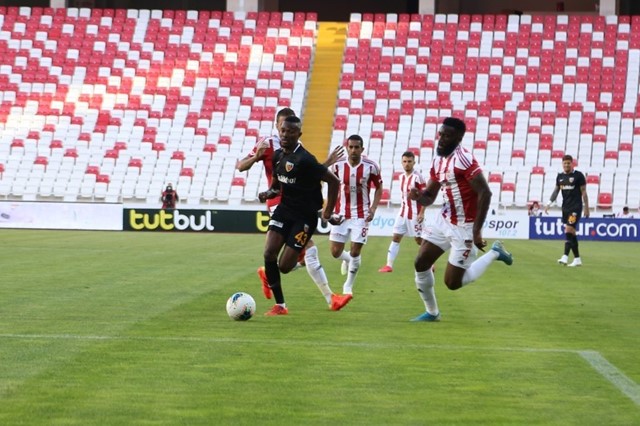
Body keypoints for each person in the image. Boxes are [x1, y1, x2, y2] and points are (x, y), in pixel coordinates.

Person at [237, 108, 348, 312]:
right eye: (283, 131)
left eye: (290, 132)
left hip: (304, 217)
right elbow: (277, 186)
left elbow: (333, 181)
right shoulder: (277, 155)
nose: (285, 135)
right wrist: (268, 193)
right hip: (283, 210)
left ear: (298, 134)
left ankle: (272, 276)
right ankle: (280, 305)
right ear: (278, 129)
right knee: (269, 252)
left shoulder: (305, 159)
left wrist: (327, 213)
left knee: (284, 266)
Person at [407, 117, 513, 322]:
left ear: (458, 138)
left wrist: (476, 232)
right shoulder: (438, 161)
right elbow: (430, 196)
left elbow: (485, 193)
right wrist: (419, 196)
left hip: (465, 226)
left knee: (452, 283)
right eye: (441, 134)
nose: (441, 140)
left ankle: (495, 253)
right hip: (444, 219)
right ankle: (432, 312)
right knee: (421, 262)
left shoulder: (463, 159)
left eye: (447, 136)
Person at [329, 134, 383, 299]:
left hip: (361, 214)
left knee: (355, 250)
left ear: (362, 149)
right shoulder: (337, 165)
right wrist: (329, 208)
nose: (353, 150)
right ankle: (346, 260)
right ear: (347, 148)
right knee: (335, 252)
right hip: (340, 213)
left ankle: (348, 285)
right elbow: (330, 185)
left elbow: (379, 187)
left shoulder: (371, 166)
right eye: (351, 147)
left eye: (356, 147)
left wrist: (373, 208)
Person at [379, 150, 426, 273]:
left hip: (415, 214)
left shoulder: (418, 177)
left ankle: (429, 262)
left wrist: (422, 212)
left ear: (414, 162)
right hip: (402, 212)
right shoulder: (401, 177)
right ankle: (389, 265)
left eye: (409, 161)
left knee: (419, 240)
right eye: (404, 161)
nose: (407, 164)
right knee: (396, 237)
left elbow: (425, 196)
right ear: (401, 162)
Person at [544, 154, 589, 267]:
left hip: (576, 208)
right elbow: (556, 191)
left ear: (572, 164)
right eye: (565, 163)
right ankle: (577, 259)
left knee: (568, 229)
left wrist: (586, 207)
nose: (566, 165)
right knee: (572, 233)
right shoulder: (560, 177)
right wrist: (549, 203)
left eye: (568, 163)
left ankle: (565, 256)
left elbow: (584, 192)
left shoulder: (578, 176)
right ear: (562, 164)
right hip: (565, 208)